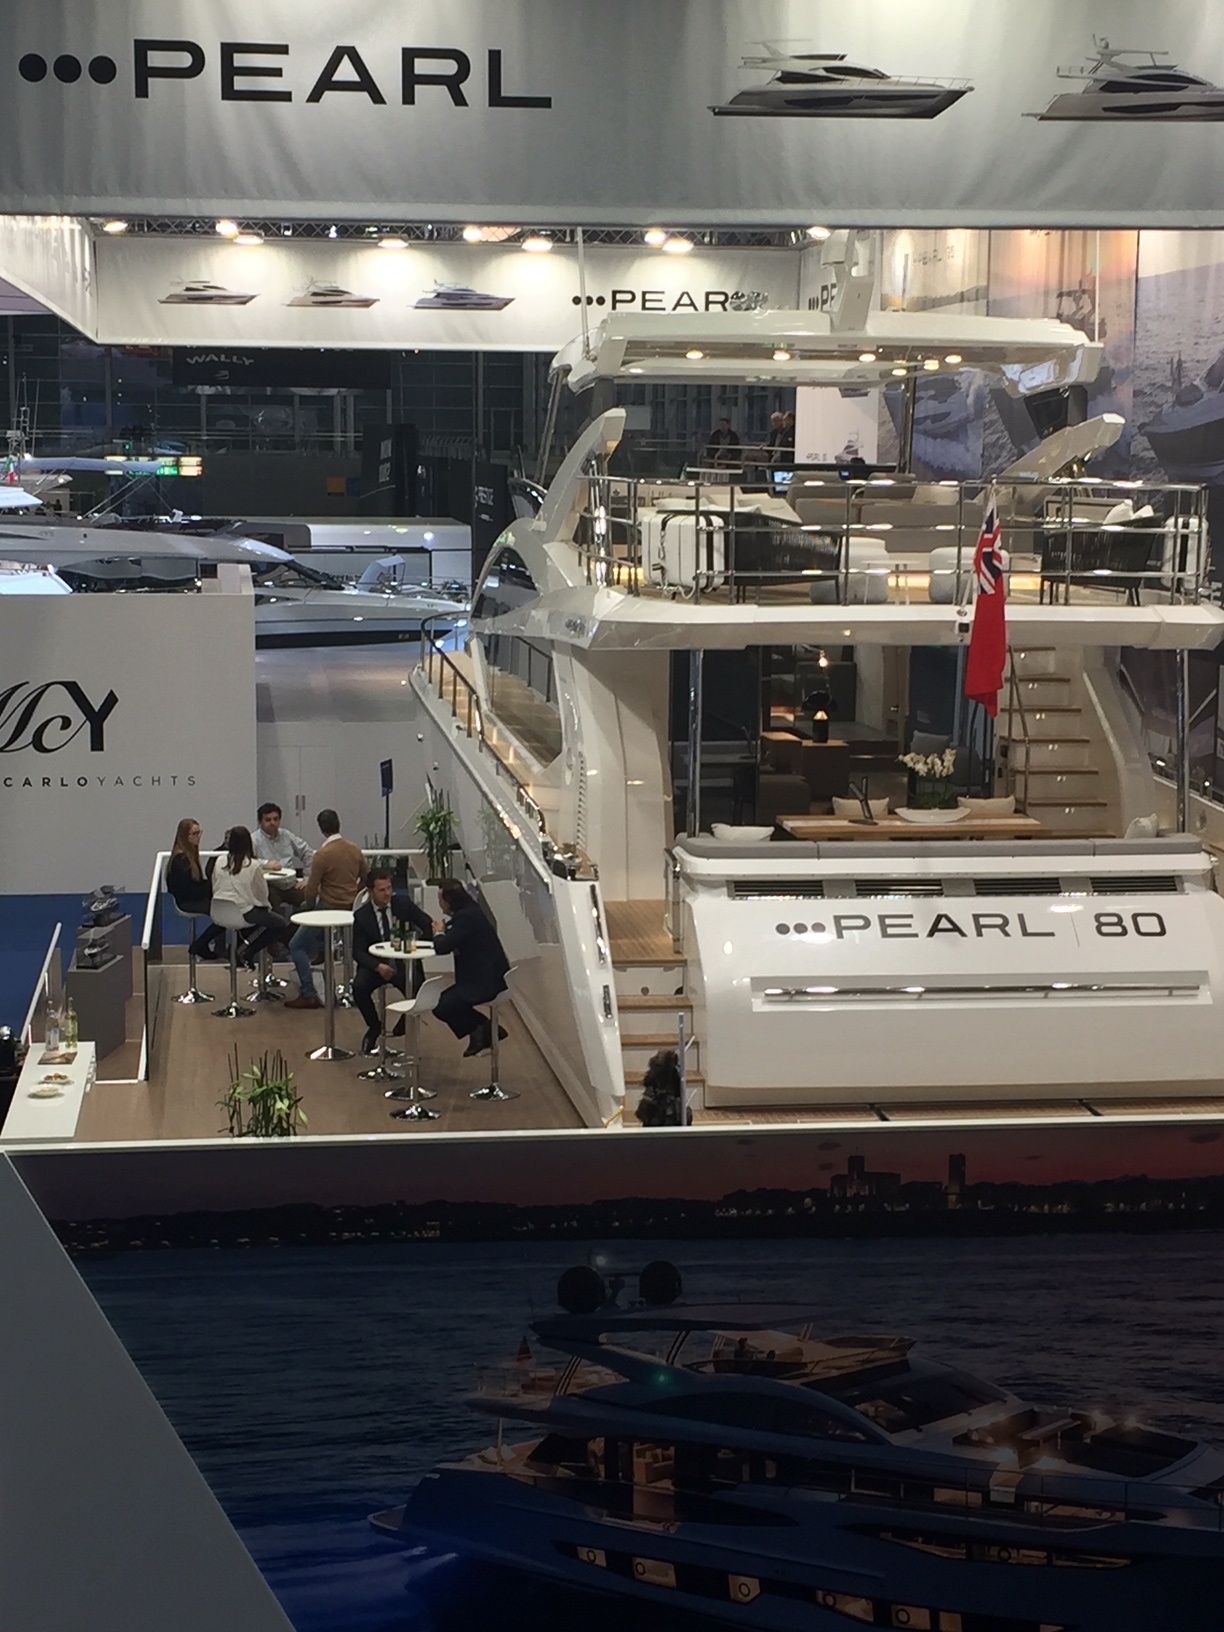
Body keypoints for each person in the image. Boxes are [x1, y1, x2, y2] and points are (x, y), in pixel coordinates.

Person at [284, 809, 367, 1010]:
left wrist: (308, 908)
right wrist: (354, 896)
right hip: (351, 909)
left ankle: (308, 993)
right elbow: (365, 878)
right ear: (339, 824)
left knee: (296, 945)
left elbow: (311, 889)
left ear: (321, 829)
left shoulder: (322, 855)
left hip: (328, 908)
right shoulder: (355, 850)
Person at [351, 867, 434, 1054]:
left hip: (402, 963)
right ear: (371, 891)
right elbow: (357, 951)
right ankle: (374, 1026)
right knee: (359, 988)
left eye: (389, 888)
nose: (387, 893)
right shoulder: (362, 916)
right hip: (376, 965)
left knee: (418, 989)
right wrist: (377, 966)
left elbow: (426, 923)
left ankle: (405, 1022)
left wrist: (419, 948)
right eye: (382, 890)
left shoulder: (403, 904)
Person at [430, 879, 510, 1057]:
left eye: (440, 899)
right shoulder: (470, 912)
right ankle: (482, 1031)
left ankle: (484, 1029)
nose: (439, 903)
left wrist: (439, 932)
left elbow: (442, 947)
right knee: (446, 1002)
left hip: (485, 981)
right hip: (487, 975)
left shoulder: (465, 918)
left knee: (443, 1006)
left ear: (448, 901)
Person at [209, 825, 292, 967]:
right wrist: (266, 907)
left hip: (218, 910)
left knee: (257, 918)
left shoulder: (220, 861)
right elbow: (262, 894)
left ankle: (236, 951)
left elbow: (214, 883)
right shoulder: (253, 865)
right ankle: (249, 952)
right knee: (279, 923)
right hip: (244, 912)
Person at [165, 818, 227, 959]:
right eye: (194, 834)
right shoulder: (181, 860)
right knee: (225, 914)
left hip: (192, 898)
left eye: (199, 833)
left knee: (225, 909)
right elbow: (186, 890)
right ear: (184, 836)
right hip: (187, 902)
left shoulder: (188, 856)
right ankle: (200, 944)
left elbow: (195, 884)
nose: (198, 837)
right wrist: (212, 888)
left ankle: (202, 944)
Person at [252, 803, 314, 872]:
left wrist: (307, 876)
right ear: (260, 822)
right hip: (266, 877)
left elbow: (307, 852)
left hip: (289, 877)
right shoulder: (253, 839)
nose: (272, 823)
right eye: (268, 820)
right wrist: (265, 863)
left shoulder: (286, 835)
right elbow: (248, 861)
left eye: (276, 819)